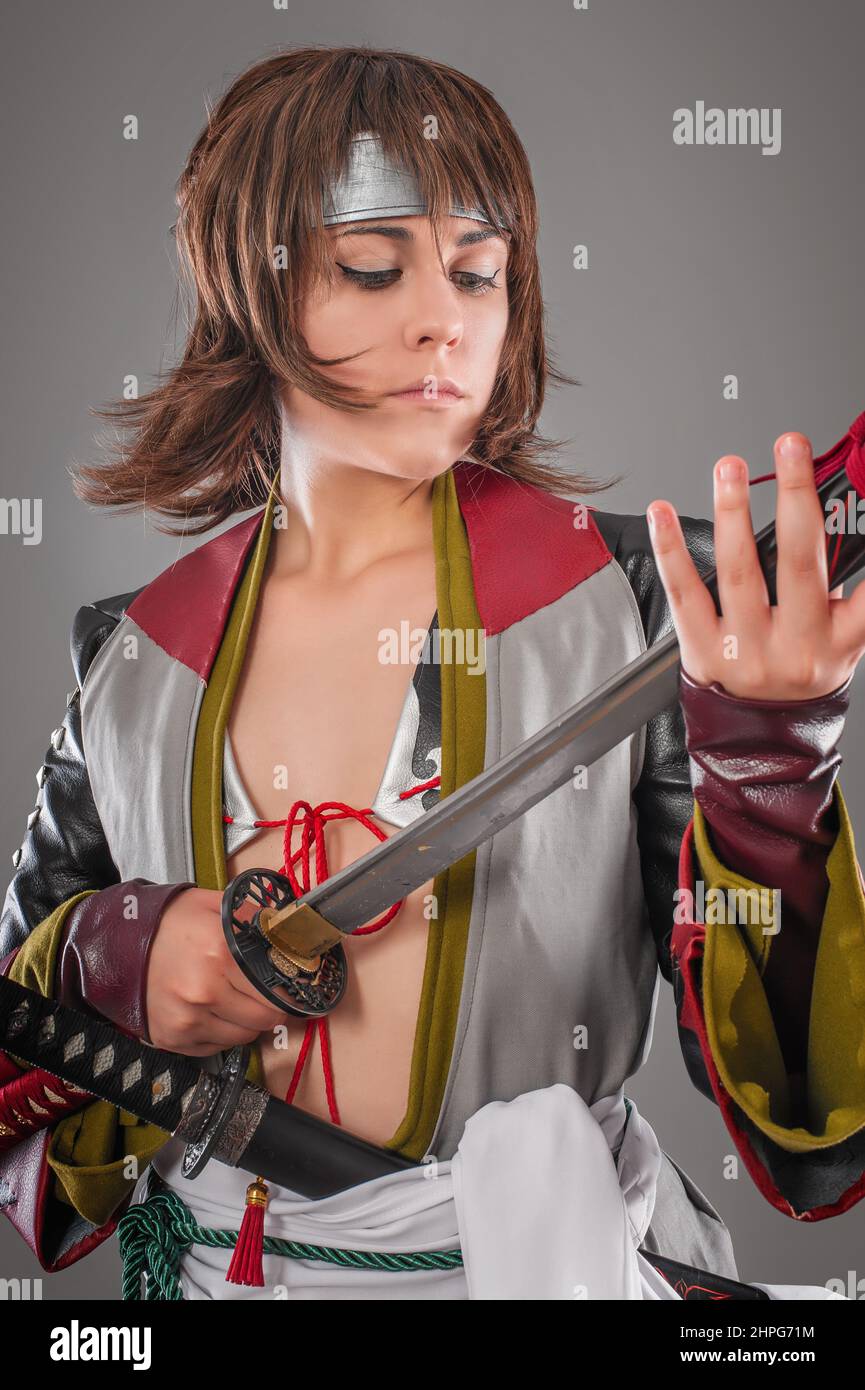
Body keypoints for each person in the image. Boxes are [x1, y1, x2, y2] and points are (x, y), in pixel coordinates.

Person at [1, 45, 863, 1301]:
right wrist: (115, 959)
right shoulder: (132, 657)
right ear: (256, 277)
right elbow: (17, 1076)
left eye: (477, 271)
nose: (442, 318)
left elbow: (816, 1128)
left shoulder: (634, 613)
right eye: (370, 266)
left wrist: (773, 772)